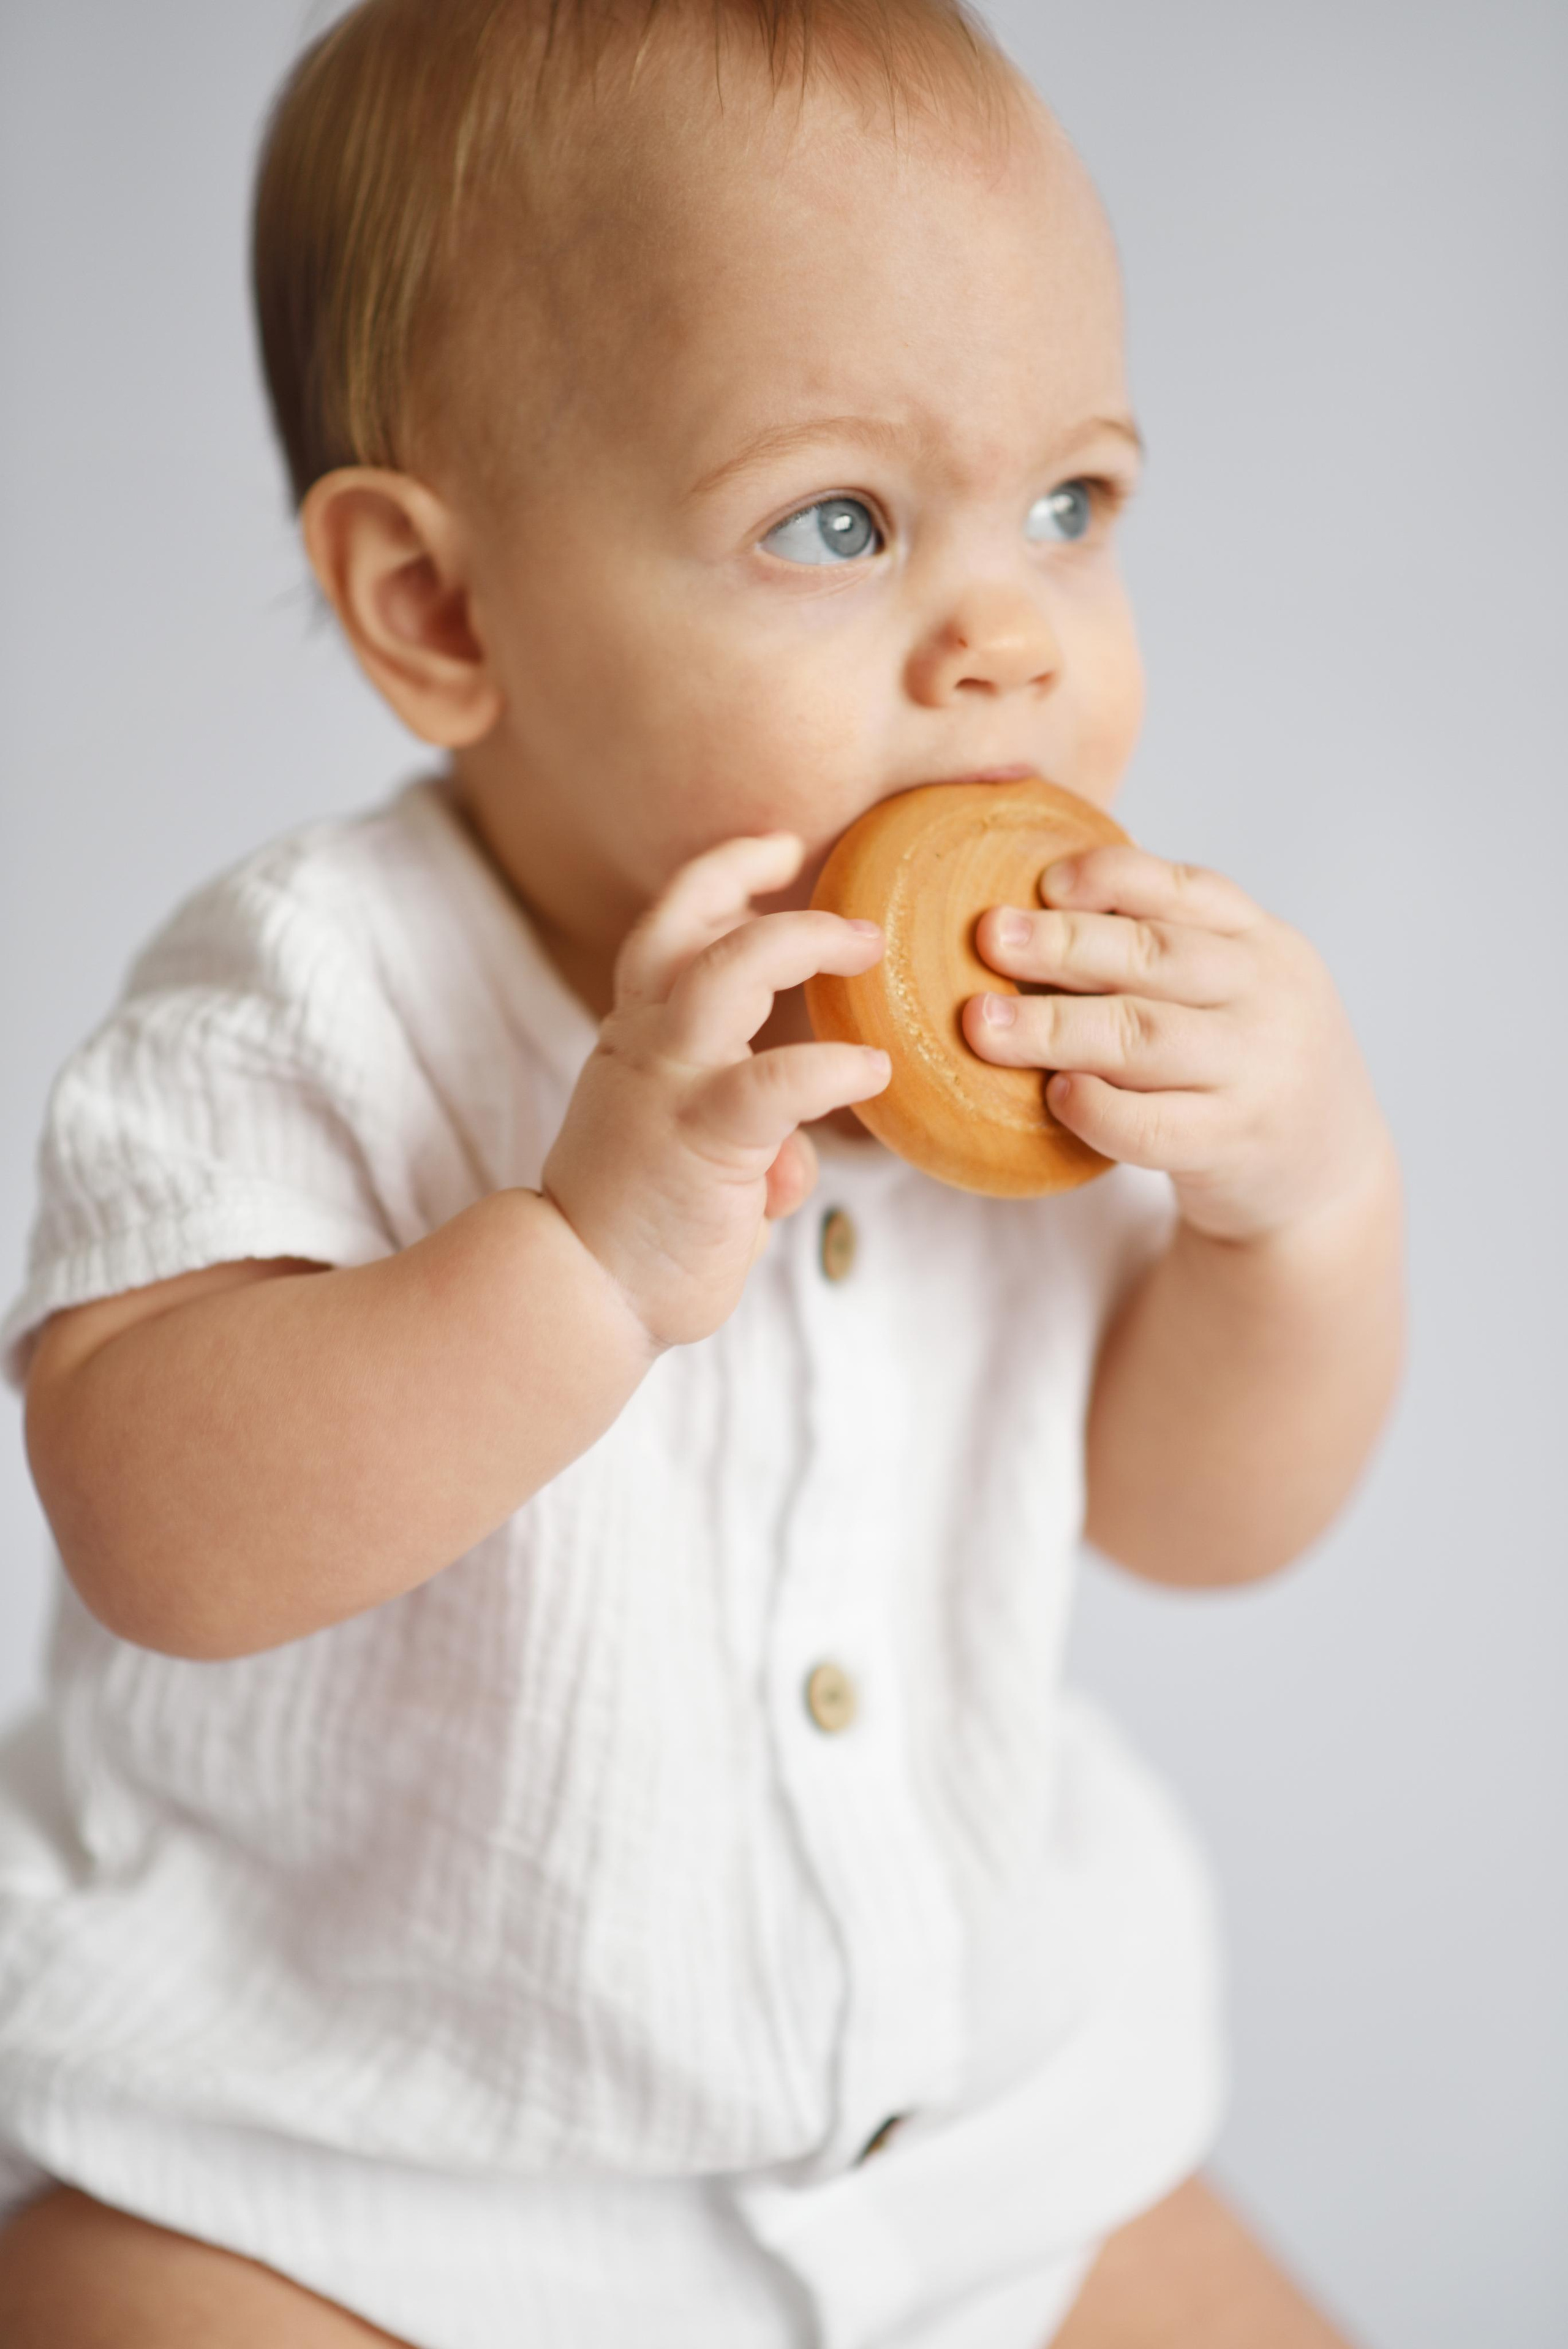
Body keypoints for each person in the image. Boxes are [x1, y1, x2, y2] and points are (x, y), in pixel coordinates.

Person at [0, 2, 1403, 2341]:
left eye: (1074, 504)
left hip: (977, 2129)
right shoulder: (303, 992)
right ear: (439, 612)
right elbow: (155, 1528)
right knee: (108, 2304)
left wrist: (1304, 1208)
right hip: (346, 2169)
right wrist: (571, 1261)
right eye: (838, 521)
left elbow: (1195, 1514)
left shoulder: (1023, 1038)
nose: (1009, 639)